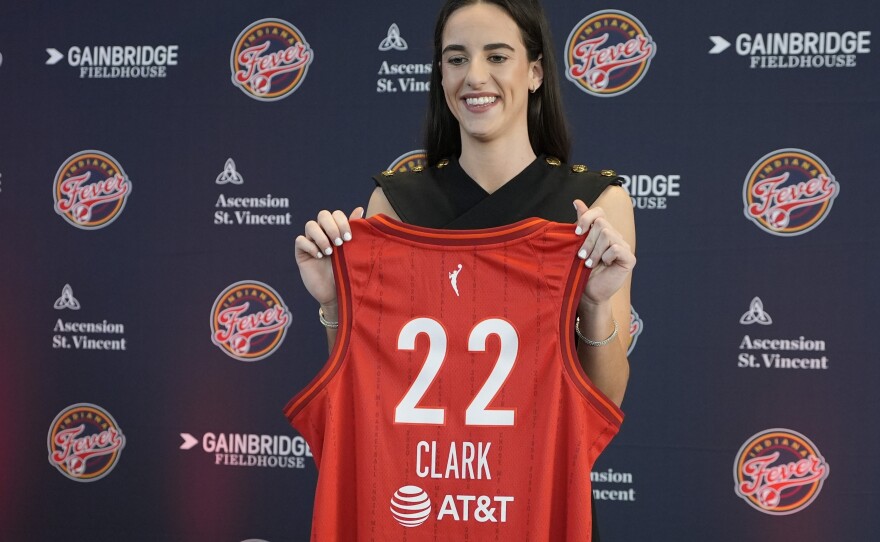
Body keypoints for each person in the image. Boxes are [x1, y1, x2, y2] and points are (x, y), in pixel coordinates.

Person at [292, 0, 635, 538]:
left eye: (497, 55)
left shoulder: (594, 205)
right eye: (456, 59)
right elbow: (363, 387)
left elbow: (604, 400)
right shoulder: (394, 203)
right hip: (412, 503)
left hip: (527, 502)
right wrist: (334, 305)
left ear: (537, 70)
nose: (475, 76)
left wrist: (593, 304)